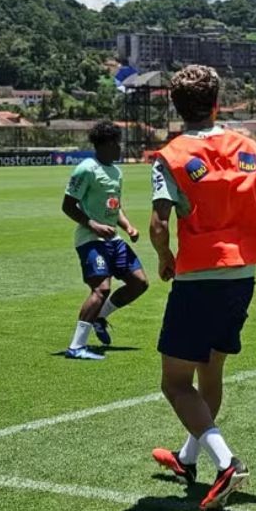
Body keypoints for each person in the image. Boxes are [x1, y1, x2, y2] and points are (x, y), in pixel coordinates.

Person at [148, 65, 256, 511]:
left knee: (176, 383)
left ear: (176, 108)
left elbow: (158, 224)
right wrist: (250, 230)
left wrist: (165, 258)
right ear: (217, 103)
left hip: (198, 277)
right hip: (242, 275)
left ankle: (226, 462)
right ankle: (187, 458)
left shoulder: (170, 155)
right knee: (211, 372)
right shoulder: (247, 144)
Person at [61, 121, 148, 361]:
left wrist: (127, 226)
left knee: (139, 283)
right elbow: (67, 206)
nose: (120, 148)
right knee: (101, 289)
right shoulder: (86, 169)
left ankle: (101, 316)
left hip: (114, 240)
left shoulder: (116, 172)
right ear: (107, 144)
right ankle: (76, 347)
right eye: (117, 144)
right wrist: (94, 225)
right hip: (90, 239)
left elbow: (115, 206)